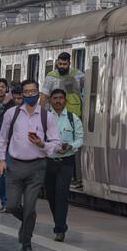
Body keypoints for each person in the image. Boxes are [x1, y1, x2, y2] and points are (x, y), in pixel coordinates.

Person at [0, 80, 62, 251]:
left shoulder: (46, 116)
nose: (30, 95)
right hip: (15, 166)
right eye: (27, 92)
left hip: (37, 167)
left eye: (33, 91)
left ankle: (26, 242)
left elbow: (56, 143)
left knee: (30, 206)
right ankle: (27, 222)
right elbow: (2, 138)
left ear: (38, 93)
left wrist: (42, 144)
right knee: (11, 205)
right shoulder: (12, 114)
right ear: (22, 94)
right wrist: (2, 160)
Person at [45, 88, 83, 242]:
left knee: (61, 195)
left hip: (66, 162)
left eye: (61, 98)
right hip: (49, 161)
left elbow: (80, 139)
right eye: (55, 98)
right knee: (51, 195)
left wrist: (71, 146)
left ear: (65, 100)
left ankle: (60, 229)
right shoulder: (44, 118)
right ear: (50, 101)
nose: (58, 101)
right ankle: (58, 222)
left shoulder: (73, 119)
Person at [0, 77, 16, 212]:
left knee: (7, 175)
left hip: (10, 145)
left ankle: (8, 203)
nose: (0, 89)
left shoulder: (14, 105)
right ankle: (4, 200)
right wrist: (3, 103)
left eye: (3, 86)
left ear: (7, 89)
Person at [40, 52, 86, 119]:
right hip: (55, 115)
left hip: (74, 115)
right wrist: (40, 115)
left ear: (69, 64)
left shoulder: (78, 75)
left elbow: (87, 88)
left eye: (64, 64)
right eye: (60, 64)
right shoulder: (51, 77)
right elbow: (43, 97)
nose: (62, 66)